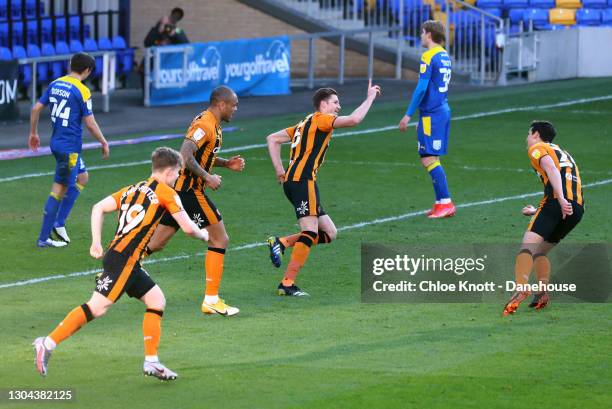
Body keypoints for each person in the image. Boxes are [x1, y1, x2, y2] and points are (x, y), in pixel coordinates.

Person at [33, 147, 209, 380]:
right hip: (124, 260)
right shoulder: (167, 193)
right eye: (177, 174)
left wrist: (96, 242)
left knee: (156, 300)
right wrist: (205, 235)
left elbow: (98, 208)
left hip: (124, 258)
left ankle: (151, 362)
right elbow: (188, 228)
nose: (177, 178)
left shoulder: (132, 189)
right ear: (168, 172)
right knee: (96, 307)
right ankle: (47, 343)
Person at [266, 80, 381, 296]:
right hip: (303, 182)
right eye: (335, 103)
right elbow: (355, 119)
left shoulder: (304, 123)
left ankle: (281, 242)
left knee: (329, 232)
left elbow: (272, 139)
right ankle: (287, 284)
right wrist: (370, 98)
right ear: (323, 104)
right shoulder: (321, 120)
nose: (338, 107)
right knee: (309, 232)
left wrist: (280, 170)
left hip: (295, 182)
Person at [145, 86, 245, 317]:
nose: (235, 109)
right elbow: (184, 155)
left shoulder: (212, 124)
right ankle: (211, 299)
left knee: (157, 243)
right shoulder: (205, 125)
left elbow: (203, 156)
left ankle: (117, 266)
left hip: (179, 192)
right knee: (220, 239)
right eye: (234, 105)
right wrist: (207, 177)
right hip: (190, 193)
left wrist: (225, 163)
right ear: (221, 104)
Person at [502, 121, 584, 316]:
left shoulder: (538, 148)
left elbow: (552, 170)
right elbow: (563, 178)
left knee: (527, 249)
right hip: (576, 209)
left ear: (536, 134)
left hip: (558, 203)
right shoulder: (563, 152)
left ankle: (521, 288)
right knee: (540, 253)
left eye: (529, 134)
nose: (527, 138)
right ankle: (541, 295)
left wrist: (561, 200)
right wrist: (540, 210)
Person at [29, 52, 109, 247]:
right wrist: (103, 142)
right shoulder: (82, 91)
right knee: (58, 189)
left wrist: (33, 133)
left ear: (70, 65)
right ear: (88, 70)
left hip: (57, 143)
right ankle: (44, 237)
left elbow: (35, 108)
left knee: (83, 177)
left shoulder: (55, 83)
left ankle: (59, 222)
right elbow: (90, 123)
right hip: (69, 148)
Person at [398, 20, 454, 219]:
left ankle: (446, 202)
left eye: (422, 33)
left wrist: (408, 114)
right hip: (441, 110)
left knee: (428, 158)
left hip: (432, 113)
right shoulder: (444, 55)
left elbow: (421, 88)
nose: (421, 36)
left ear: (429, 34)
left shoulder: (428, 56)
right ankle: (440, 203)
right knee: (432, 157)